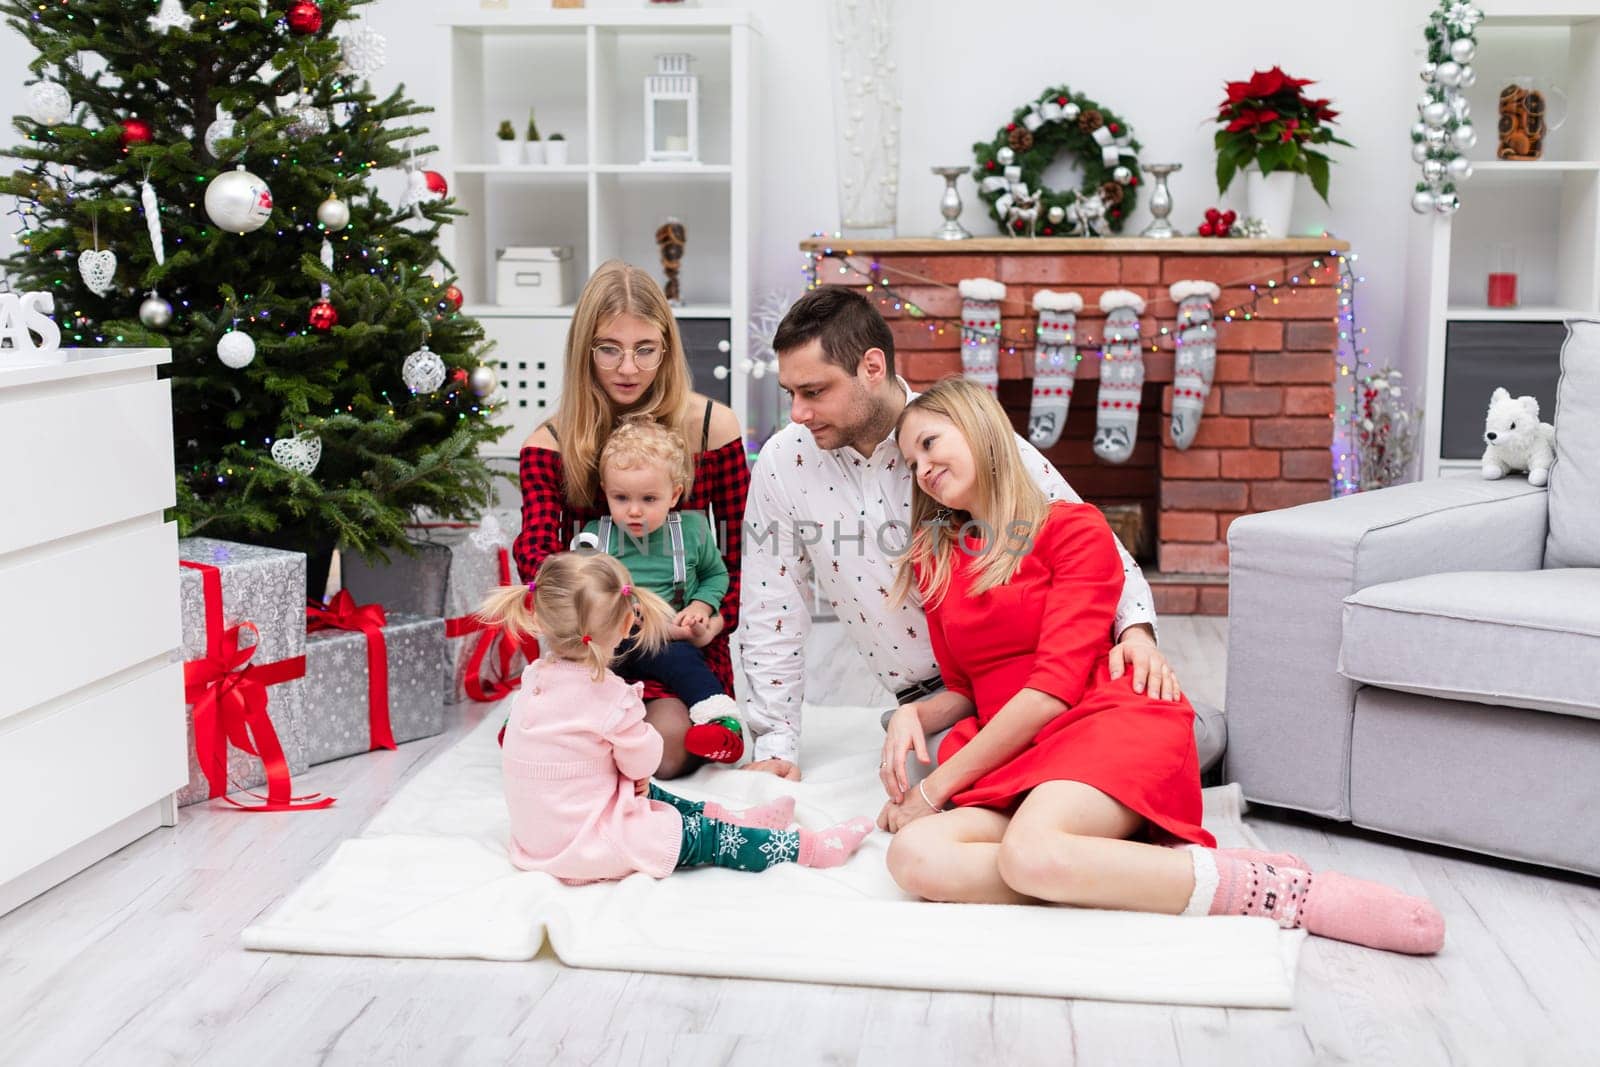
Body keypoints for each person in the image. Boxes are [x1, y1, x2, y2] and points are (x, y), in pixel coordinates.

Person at [876, 379, 1444, 955]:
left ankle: (1282, 892)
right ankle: (1117, 868)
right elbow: (969, 687)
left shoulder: (1075, 528)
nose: (922, 468)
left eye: (929, 443)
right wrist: (916, 716)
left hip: (1099, 718)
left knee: (1031, 853)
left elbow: (1051, 690)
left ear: (979, 429)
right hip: (1014, 748)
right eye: (910, 461)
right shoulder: (937, 560)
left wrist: (934, 790)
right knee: (914, 857)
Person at [739, 285, 1177, 781]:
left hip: (1040, 671)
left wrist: (1137, 635)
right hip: (939, 701)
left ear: (872, 368)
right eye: (790, 394)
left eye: (815, 392)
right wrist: (775, 743)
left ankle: (1173, 736)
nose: (798, 412)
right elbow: (770, 602)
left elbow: (1081, 534)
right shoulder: (782, 462)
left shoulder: (950, 430)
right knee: (927, 771)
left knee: (1106, 751)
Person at [480, 550, 873, 883]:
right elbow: (644, 760)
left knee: (649, 794)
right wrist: (637, 758)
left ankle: (743, 816)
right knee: (706, 839)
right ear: (624, 625)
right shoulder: (610, 696)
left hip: (538, 839)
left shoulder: (534, 679)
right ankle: (807, 848)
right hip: (590, 844)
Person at [515, 260, 750, 778]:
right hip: (592, 651)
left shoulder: (712, 425)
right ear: (585, 351)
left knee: (662, 753)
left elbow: (740, 550)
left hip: (678, 645)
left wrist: (714, 618)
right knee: (572, 746)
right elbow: (536, 562)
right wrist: (588, 624)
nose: (628, 368)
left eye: (645, 349)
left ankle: (706, 719)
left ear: (666, 348)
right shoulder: (549, 444)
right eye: (609, 349)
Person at [579, 416, 744, 761]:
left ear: (674, 496)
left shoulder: (692, 532)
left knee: (687, 667)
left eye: (649, 499)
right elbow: (578, 588)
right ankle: (535, 717)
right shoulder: (596, 535)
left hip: (665, 637)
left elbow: (717, 575)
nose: (634, 511)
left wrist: (701, 605)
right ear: (606, 493)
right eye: (621, 497)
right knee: (576, 667)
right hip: (612, 640)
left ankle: (721, 723)